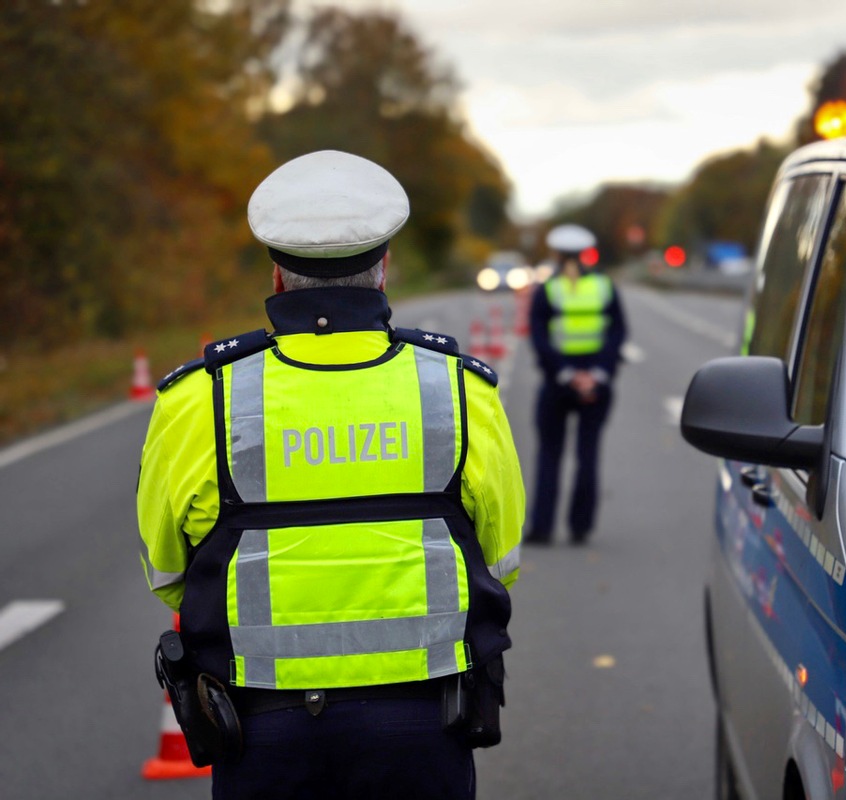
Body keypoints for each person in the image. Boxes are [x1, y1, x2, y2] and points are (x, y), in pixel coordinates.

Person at [136, 150, 523, 799]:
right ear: (385, 265)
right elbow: (501, 558)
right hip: (424, 725)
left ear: (277, 274)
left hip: (261, 730)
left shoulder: (200, 397)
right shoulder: (457, 391)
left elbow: (168, 572)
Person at [525, 224, 627, 545]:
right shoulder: (604, 287)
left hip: (558, 383)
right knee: (588, 453)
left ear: (555, 254)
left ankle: (542, 529)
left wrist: (567, 375)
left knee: (549, 455)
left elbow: (539, 338)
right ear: (586, 253)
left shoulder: (548, 290)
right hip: (597, 384)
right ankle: (580, 528)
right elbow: (617, 333)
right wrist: (596, 374)